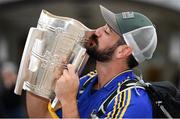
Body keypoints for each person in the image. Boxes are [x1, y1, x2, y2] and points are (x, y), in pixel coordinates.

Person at [26, 5, 157, 118]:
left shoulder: (133, 103)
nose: (97, 31)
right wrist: (41, 73)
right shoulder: (87, 81)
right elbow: (40, 116)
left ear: (123, 51)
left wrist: (68, 101)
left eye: (107, 31)